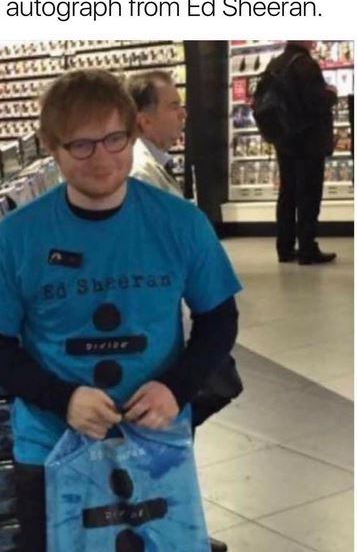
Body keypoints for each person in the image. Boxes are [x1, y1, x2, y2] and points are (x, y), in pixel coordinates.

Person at [0, 69, 242, 552]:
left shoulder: (181, 223)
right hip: (51, 447)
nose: (102, 158)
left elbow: (219, 318)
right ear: (52, 147)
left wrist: (176, 388)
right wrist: (63, 399)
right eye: (81, 145)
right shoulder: (16, 237)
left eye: (114, 139)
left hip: (156, 443)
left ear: (133, 133)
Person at [127, 70, 241, 552]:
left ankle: (180, 525)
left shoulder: (155, 165)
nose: (183, 113)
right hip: (154, 341)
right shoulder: (139, 175)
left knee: (173, 433)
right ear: (143, 118)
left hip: (173, 333)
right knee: (160, 438)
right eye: (173, 105)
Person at [261, 41, 338, 264]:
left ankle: (284, 248)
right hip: (308, 141)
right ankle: (307, 248)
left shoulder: (276, 63)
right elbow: (315, 102)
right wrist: (331, 94)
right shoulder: (305, 65)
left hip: (284, 139)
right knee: (309, 194)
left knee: (287, 193)